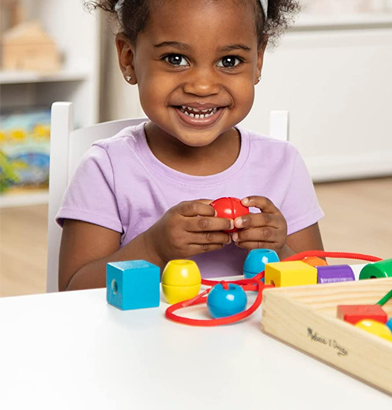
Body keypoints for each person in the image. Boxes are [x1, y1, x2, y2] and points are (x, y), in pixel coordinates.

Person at [57, 0, 324, 291]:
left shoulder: (282, 164)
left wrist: (280, 251)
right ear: (128, 58)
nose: (203, 86)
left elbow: (320, 284)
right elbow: (74, 293)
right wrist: (153, 249)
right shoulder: (107, 169)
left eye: (229, 61)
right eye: (174, 59)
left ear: (258, 60)